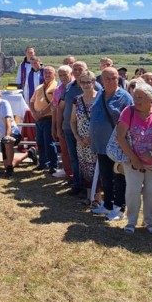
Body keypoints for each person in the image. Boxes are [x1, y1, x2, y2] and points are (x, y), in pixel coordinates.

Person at [115, 82, 152, 234]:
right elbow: (120, 137)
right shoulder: (128, 111)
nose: (136, 100)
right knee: (132, 191)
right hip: (132, 162)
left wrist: (151, 153)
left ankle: (149, 222)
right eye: (135, 97)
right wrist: (134, 159)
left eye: (140, 97)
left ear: (150, 98)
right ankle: (131, 222)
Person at [89, 67, 133, 221]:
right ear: (101, 80)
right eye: (107, 78)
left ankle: (119, 208)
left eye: (114, 78)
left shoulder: (125, 97)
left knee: (119, 178)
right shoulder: (100, 93)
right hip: (101, 145)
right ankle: (107, 204)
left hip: (116, 146)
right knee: (106, 177)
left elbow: (129, 122)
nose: (111, 81)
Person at [0, 88, 31, 177]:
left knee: (8, 142)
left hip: (13, 132)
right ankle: (28, 154)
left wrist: (7, 136)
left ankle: (10, 170)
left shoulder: (5, 104)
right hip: (3, 136)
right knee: (7, 164)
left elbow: (8, 122)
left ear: (0, 96)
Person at [71, 70, 99, 199]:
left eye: (89, 82)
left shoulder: (100, 98)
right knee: (85, 168)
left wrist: (92, 137)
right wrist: (77, 137)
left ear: (94, 82)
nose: (86, 85)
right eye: (83, 82)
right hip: (81, 142)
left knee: (97, 169)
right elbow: (73, 121)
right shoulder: (77, 100)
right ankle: (89, 196)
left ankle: (97, 197)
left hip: (96, 141)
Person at [61, 62, 88, 195]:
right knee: (74, 157)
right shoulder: (69, 87)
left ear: (86, 70)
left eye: (80, 69)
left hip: (84, 131)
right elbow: (62, 106)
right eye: (75, 69)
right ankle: (77, 183)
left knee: (86, 159)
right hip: (68, 127)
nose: (77, 71)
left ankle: (87, 186)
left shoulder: (93, 85)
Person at [29, 65, 57, 173]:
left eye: (50, 72)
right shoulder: (39, 87)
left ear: (54, 74)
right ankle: (42, 163)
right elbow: (32, 101)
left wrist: (41, 113)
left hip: (49, 118)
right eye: (45, 73)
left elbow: (53, 103)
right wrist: (34, 112)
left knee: (49, 143)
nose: (47, 75)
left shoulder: (56, 86)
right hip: (38, 119)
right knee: (40, 142)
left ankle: (53, 166)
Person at [52, 65, 73, 179]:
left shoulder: (76, 86)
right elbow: (55, 109)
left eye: (65, 74)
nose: (63, 77)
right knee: (64, 150)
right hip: (63, 124)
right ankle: (67, 172)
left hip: (75, 124)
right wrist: (54, 127)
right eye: (60, 75)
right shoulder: (57, 90)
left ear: (71, 74)